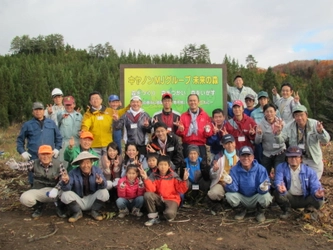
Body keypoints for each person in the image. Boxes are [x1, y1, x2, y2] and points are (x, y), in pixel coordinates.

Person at [6, 145, 66, 218]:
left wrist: (56, 189)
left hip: (54, 190)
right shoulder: (34, 163)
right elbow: (25, 165)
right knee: (25, 198)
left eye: (47, 154)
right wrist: (16, 166)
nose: (45, 156)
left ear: (52, 154)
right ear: (38, 155)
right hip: (39, 190)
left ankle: (59, 206)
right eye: (43, 154)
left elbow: (64, 178)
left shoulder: (59, 164)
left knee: (65, 194)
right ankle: (38, 206)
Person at [275, 105, 330, 179]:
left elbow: (326, 140)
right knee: (300, 183)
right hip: (298, 160)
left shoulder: (315, 124)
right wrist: (278, 133)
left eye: (301, 115)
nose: (299, 118)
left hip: (314, 159)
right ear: (294, 117)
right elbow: (280, 141)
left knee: (313, 182)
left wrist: (320, 132)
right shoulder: (289, 126)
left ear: (306, 115)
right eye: (296, 115)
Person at [16, 102, 62, 186]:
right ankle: (33, 191)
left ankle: (52, 193)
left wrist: (57, 148)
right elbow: (19, 140)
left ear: (44, 111)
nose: (38, 112)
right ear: (32, 112)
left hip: (49, 156)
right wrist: (22, 151)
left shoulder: (51, 123)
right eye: (36, 110)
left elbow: (58, 138)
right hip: (34, 156)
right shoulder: (27, 125)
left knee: (52, 176)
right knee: (34, 178)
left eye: (40, 109)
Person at [274, 146, 324, 219]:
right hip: (289, 197)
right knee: (277, 192)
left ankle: (309, 211)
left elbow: (315, 184)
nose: (293, 159)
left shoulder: (309, 171)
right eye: (290, 157)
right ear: (287, 159)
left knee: (320, 200)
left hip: (305, 198)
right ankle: (286, 210)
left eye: (296, 157)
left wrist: (316, 192)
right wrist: (279, 186)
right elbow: (279, 179)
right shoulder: (281, 167)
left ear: (301, 159)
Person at [224, 146, 272, 222]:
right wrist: (230, 183)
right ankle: (241, 211)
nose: (246, 158)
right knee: (229, 195)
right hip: (242, 197)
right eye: (243, 156)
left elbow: (266, 184)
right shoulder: (234, 170)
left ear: (253, 157)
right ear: (239, 157)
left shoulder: (261, 169)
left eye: (248, 155)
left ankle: (259, 212)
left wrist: (263, 188)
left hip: (256, 197)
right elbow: (234, 189)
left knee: (266, 197)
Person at [139, 155, 189, 226]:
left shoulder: (173, 175)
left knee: (169, 215)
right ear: (157, 166)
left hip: (171, 199)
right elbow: (151, 190)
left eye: (165, 165)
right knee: (148, 195)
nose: (163, 167)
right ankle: (153, 217)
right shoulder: (154, 175)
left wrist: (185, 180)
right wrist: (146, 179)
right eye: (161, 165)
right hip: (159, 199)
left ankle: (162, 214)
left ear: (169, 166)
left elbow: (181, 189)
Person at [60, 151, 109, 222]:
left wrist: (101, 182)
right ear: (79, 164)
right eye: (82, 163)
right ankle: (77, 212)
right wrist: (66, 181)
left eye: (88, 162)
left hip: (92, 199)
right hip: (79, 199)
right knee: (65, 194)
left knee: (104, 192)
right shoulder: (73, 173)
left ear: (91, 163)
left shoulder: (97, 170)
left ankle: (94, 211)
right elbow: (67, 188)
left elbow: (104, 185)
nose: (85, 165)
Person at [81, 91, 114, 167]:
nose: (95, 100)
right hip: (94, 145)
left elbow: (119, 114)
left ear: (101, 100)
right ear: (90, 102)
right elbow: (85, 124)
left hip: (108, 144)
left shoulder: (108, 111)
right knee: (96, 165)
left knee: (109, 165)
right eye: (93, 99)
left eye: (97, 98)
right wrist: (84, 130)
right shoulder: (88, 114)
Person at [176, 94, 213, 161]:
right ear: (188, 102)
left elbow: (209, 133)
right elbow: (179, 133)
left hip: (200, 145)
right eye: (190, 101)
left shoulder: (205, 116)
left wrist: (206, 131)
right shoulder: (183, 116)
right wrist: (181, 130)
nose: (193, 102)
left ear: (198, 102)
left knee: (202, 167)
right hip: (187, 145)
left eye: (194, 100)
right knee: (185, 166)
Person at [207, 134, 238, 212]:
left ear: (235, 143)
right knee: (213, 193)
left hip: (237, 183)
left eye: (231, 143)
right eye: (227, 143)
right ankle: (221, 201)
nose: (230, 145)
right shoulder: (218, 157)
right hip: (221, 183)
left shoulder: (241, 156)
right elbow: (212, 176)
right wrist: (214, 170)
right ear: (223, 145)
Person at [255, 104, 286, 175]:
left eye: (271, 111)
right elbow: (257, 142)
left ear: (275, 112)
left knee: (279, 173)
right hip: (267, 153)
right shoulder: (260, 125)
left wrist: (279, 132)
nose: (269, 114)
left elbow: (284, 139)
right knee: (264, 173)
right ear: (264, 113)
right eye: (267, 112)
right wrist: (259, 135)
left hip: (280, 151)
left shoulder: (281, 123)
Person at [57, 96, 82, 168]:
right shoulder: (60, 114)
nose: (68, 107)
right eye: (66, 105)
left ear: (74, 104)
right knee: (63, 165)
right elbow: (56, 123)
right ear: (64, 105)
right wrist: (61, 117)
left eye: (70, 104)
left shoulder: (79, 115)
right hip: (64, 143)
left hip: (77, 142)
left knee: (76, 164)